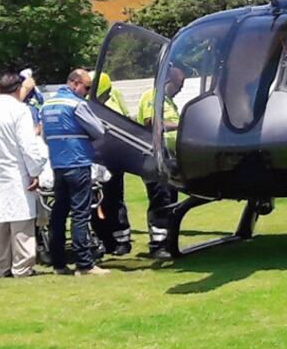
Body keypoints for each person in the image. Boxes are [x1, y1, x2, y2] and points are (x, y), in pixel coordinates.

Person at [0, 72, 48, 278]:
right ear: (18, 90)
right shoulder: (20, 110)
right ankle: (22, 266)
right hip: (17, 172)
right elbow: (27, 145)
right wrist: (35, 171)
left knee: (0, 222)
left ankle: (1, 266)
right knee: (21, 222)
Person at [41, 68, 108, 276]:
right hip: (78, 162)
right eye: (86, 87)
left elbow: (45, 136)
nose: (87, 92)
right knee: (80, 213)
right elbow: (98, 130)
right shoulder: (76, 104)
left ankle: (59, 263)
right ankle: (84, 264)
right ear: (75, 84)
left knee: (58, 214)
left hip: (58, 164)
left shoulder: (48, 104)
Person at [136, 66, 185, 259]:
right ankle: (157, 245)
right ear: (168, 81)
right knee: (160, 199)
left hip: (169, 158)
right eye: (179, 85)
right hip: (154, 157)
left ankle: (168, 242)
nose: (180, 89)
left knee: (170, 199)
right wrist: (181, 125)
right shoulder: (152, 96)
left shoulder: (169, 102)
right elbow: (152, 122)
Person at [91, 72, 133, 255]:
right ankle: (103, 239)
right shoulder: (89, 105)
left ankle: (122, 240)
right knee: (96, 202)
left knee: (114, 200)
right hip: (95, 160)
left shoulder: (112, 105)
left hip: (113, 160)